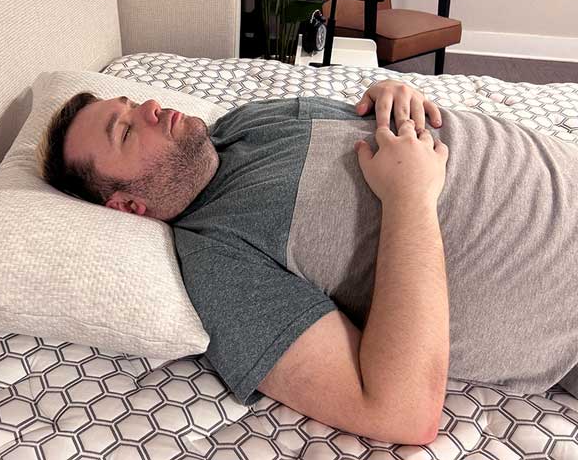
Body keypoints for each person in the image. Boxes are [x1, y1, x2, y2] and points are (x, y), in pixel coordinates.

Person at [36, 80, 578, 446]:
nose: (150, 110)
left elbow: (379, 124)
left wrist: (394, 94)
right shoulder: (219, 263)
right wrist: (410, 199)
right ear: (130, 207)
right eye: (127, 131)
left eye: (131, 105)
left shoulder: (245, 122)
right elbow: (399, 410)